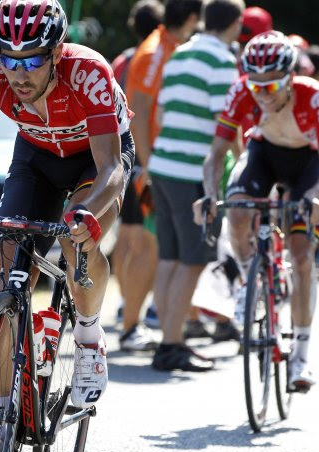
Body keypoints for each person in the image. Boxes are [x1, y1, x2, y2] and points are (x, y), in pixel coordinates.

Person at [0, 0, 133, 452]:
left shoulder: (88, 73)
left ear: (56, 52)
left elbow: (112, 169)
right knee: (5, 263)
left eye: (32, 59)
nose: (19, 72)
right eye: (8, 58)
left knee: (77, 238)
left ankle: (88, 336)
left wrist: (87, 218)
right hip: (35, 157)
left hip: (93, 163)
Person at [194, 31, 319, 392]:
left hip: (308, 166)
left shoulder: (314, 95)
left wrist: (317, 194)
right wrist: (210, 195)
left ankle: (302, 356)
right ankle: (250, 279)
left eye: (272, 86)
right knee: (239, 208)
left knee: (302, 256)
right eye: (256, 86)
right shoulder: (242, 90)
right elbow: (215, 155)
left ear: (290, 77)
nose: (262, 94)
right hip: (264, 155)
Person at [148, 0, 245, 371]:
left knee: (169, 258)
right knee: (191, 262)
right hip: (194, 172)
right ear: (235, 24)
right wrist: (244, 162)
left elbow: (160, 112)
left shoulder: (180, 53)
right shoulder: (222, 61)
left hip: (163, 164)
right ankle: (172, 345)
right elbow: (227, 122)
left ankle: (168, 339)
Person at [125, 0, 204, 347]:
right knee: (149, 248)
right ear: (191, 18)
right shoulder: (155, 51)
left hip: (161, 162)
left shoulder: (171, 47)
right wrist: (148, 165)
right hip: (153, 165)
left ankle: (159, 321)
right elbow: (138, 110)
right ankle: (130, 326)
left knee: (158, 248)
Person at [110, 0, 164, 351]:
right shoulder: (157, 57)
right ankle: (135, 315)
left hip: (123, 155)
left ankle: (124, 308)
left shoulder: (121, 60)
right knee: (146, 242)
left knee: (126, 237)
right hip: (145, 159)